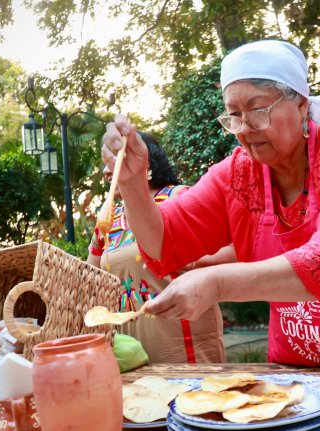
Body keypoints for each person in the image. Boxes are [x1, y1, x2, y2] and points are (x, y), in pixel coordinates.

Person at [100, 40, 320, 367]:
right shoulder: (238, 174)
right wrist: (133, 185)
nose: (244, 128)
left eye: (258, 109)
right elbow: (164, 243)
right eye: (234, 115)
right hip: (299, 368)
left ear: (301, 105)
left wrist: (217, 283)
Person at [87, 132, 225, 363]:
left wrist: (181, 256)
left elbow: (233, 251)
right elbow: (88, 279)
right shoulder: (108, 220)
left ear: (144, 163)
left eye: (114, 160)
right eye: (105, 163)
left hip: (185, 352)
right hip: (131, 357)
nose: (106, 171)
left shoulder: (179, 197)